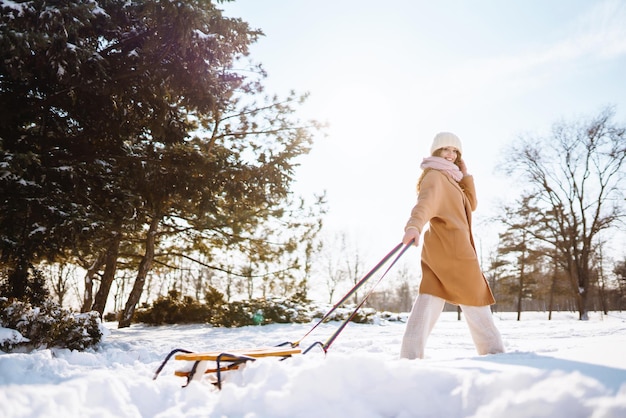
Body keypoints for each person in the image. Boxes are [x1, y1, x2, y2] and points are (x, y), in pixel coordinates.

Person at [400, 132, 504, 359]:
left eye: (455, 151)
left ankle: (409, 357)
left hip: (441, 250)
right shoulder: (435, 176)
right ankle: (494, 352)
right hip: (455, 252)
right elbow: (424, 203)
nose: (451, 154)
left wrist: (465, 175)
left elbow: (471, 204)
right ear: (436, 151)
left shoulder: (451, 179)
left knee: (428, 301)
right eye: (446, 149)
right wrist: (414, 227)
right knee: (475, 298)